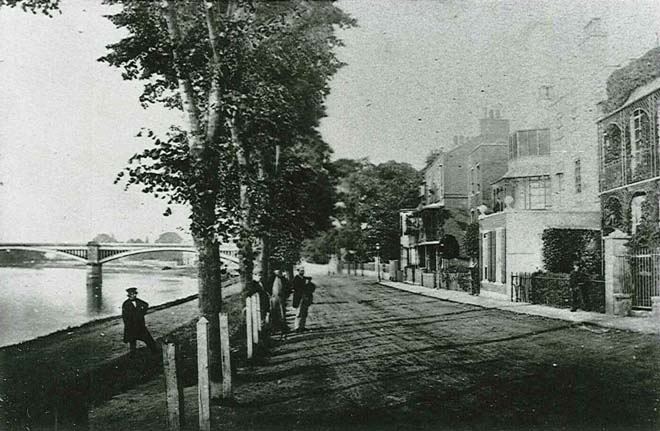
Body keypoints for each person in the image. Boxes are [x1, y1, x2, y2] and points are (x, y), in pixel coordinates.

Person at [122, 287, 158, 353]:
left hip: (140, 325)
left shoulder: (138, 301)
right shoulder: (126, 304)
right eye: (132, 294)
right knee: (132, 343)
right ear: (129, 295)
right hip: (131, 326)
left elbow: (146, 305)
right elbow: (125, 317)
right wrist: (128, 326)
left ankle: (155, 352)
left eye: (135, 294)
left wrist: (142, 313)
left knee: (149, 340)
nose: (134, 295)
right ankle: (133, 356)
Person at [269, 269, 290, 337]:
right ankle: (274, 329)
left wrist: (286, 295)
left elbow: (288, 287)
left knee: (282, 313)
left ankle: (283, 328)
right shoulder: (271, 279)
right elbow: (268, 287)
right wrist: (271, 295)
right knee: (274, 313)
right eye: (276, 272)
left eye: (279, 272)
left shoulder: (284, 279)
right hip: (274, 298)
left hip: (281, 298)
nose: (278, 273)